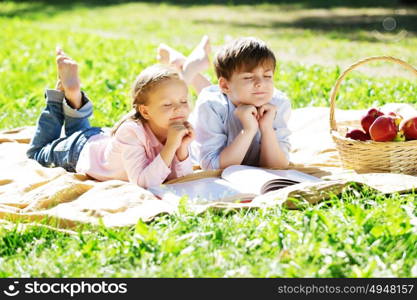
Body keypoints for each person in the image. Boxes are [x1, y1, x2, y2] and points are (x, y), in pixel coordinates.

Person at [26, 39, 211, 188]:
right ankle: (59, 97)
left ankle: (74, 97)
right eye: (167, 104)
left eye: (184, 101)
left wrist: (182, 149)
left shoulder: (176, 127)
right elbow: (143, 183)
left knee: (79, 131)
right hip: (77, 152)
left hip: (97, 139)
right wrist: (171, 146)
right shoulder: (132, 131)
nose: (179, 108)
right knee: (35, 154)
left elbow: (182, 180)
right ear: (145, 111)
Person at [189, 37, 292, 170]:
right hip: (220, 100)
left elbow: (278, 165)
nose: (260, 83)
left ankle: (187, 66)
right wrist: (248, 130)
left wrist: (267, 128)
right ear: (225, 85)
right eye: (248, 77)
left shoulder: (278, 103)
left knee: (223, 93)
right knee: (205, 93)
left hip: (231, 93)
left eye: (267, 76)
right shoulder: (210, 106)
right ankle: (188, 69)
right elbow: (212, 166)